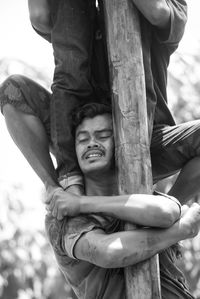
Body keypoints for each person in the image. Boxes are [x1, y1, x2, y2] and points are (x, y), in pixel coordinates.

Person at [26, 0, 190, 199]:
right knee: (13, 89)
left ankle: (170, 206)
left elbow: (158, 12)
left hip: (148, 142)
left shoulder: (167, 8)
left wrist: (168, 209)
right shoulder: (72, 17)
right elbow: (40, 17)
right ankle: (60, 190)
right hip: (84, 140)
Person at [45, 102, 200, 299]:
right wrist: (181, 230)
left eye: (103, 136)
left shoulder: (142, 199)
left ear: (120, 144)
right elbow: (109, 252)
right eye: (82, 139)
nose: (91, 143)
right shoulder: (64, 218)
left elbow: (167, 212)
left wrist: (82, 202)